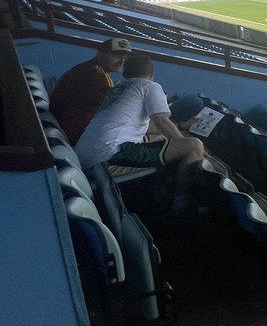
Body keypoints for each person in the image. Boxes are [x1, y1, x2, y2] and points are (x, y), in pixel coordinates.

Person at [74, 54, 206, 211]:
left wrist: (181, 126)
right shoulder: (149, 86)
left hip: (84, 156)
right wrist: (185, 144)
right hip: (108, 157)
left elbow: (147, 127)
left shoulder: (117, 88)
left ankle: (162, 186)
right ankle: (181, 206)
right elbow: (161, 121)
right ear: (151, 74)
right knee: (194, 146)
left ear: (125, 74)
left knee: (161, 137)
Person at [49, 37, 132, 143]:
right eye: (116, 56)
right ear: (100, 53)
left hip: (66, 127)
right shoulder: (97, 76)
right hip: (75, 135)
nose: (122, 61)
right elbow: (110, 113)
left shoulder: (88, 69)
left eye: (125, 58)